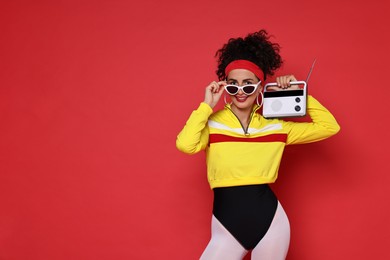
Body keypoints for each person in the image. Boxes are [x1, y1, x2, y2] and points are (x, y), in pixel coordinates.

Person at [176, 29, 340, 260]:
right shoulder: (212, 124)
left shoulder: (275, 127)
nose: (240, 92)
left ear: (260, 87)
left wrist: (299, 92)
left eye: (248, 85)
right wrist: (206, 106)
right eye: (233, 85)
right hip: (227, 223)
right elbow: (186, 144)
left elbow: (329, 127)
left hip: (271, 223)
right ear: (225, 87)